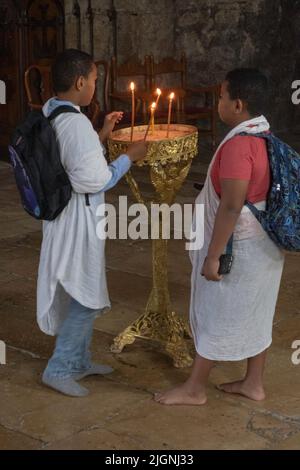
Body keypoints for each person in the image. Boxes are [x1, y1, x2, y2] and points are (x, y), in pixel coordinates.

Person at [154, 68, 285, 405]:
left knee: (215, 311)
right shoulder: (264, 134)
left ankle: (195, 388)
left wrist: (213, 255)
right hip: (265, 247)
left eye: (223, 97)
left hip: (239, 245)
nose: (219, 102)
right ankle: (253, 383)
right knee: (258, 311)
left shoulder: (240, 147)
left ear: (238, 104)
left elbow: (231, 205)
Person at [37, 49, 147, 397]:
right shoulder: (75, 124)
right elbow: (97, 180)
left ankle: (80, 360)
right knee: (85, 296)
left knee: (78, 290)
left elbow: (73, 163)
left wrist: (102, 132)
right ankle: (59, 368)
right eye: (95, 80)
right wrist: (129, 157)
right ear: (80, 81)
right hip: (77, 222)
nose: (96, 87)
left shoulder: (52, 112)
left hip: (64, 217)